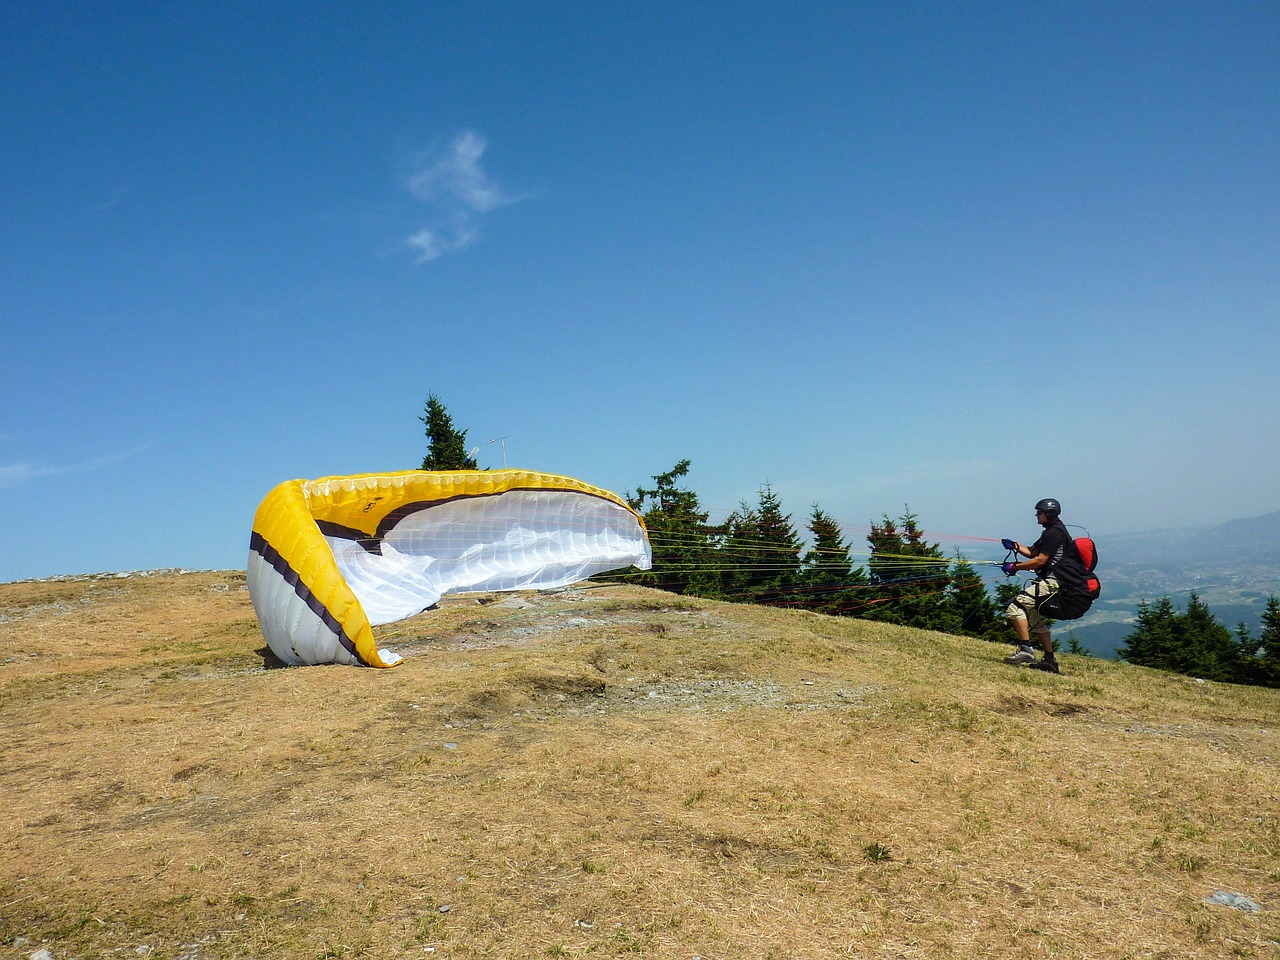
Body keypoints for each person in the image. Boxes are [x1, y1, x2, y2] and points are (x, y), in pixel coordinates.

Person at [999, 498, 1088, 674]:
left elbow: (1040, 560)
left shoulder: (1054, 533)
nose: (1036, 515)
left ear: (1049, 514)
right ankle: (1050, 661)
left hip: (1054, 581)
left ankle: (1026, 650)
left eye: (1039, 512)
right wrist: (1015, 546)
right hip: (1057, 580)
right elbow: (1033, 552)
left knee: (1014, 606)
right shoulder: (1052, 531)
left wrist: (1015, 567)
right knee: (1035, 617)